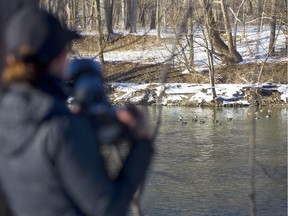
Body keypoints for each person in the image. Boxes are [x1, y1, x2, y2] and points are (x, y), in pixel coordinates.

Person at [0, 6, 154, 216]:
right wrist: (141, 142)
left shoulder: (6, 117)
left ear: (10, 60)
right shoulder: (61, 128)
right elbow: (108, 208)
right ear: (60, 57)